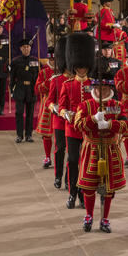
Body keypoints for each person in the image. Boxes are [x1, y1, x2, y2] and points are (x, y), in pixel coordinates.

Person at [74, 66, 128, 233]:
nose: (100, 93)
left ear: (109, 89)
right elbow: (77, 125)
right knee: (88, 186)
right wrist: (92, 119)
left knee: (108, 188)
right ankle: (89, 215)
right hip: (91, 149)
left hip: (110, 149)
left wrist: (111, 125)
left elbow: (126, 125)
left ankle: (105, 218)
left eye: (104, 89)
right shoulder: (85, 105)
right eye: (98, 89)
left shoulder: (116, 106)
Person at [59, 32, 95, 209]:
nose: (81, 70)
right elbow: (61, 105)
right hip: (72, 128)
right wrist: (65, 113)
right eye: (78, 67)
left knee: (86, 162)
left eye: (84, 67)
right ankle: (72, 193)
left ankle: (83, 192)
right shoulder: (67, 84)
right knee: (73, 160)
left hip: (88, 129)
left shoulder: (94, 85)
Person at [45, 37, 70, 189]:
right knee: (60, 149)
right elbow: (49, 101)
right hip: (59, 121)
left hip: (73, 121)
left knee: (73, 154)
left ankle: (68, 178)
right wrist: (54, 108)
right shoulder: (56, 80)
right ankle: (58, 176)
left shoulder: (76, 80)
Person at [10, 39, 39, 143]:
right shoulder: (15, 61)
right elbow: (12, 77)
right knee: (19, 113)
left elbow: (38, 77)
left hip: (31, 90)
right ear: (21, 49)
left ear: (30, 48)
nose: (26, 49)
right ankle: (19, 135)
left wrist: (37, 89)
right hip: (20, 89)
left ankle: (29, 135)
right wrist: (11, 90)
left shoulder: (36, 61)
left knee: (30, 114)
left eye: (28, 47)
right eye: (24, 47)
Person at [34, 47, 56, 168]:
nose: (53, 61)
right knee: (47, 134)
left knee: (60, 133)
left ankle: (59, 155)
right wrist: (48, 83)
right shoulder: (43, 72)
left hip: (59, 103)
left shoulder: (63, 70)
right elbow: (37, 89)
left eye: (55, 59)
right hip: (47, 104)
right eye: (51, 59)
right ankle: (47, 156)